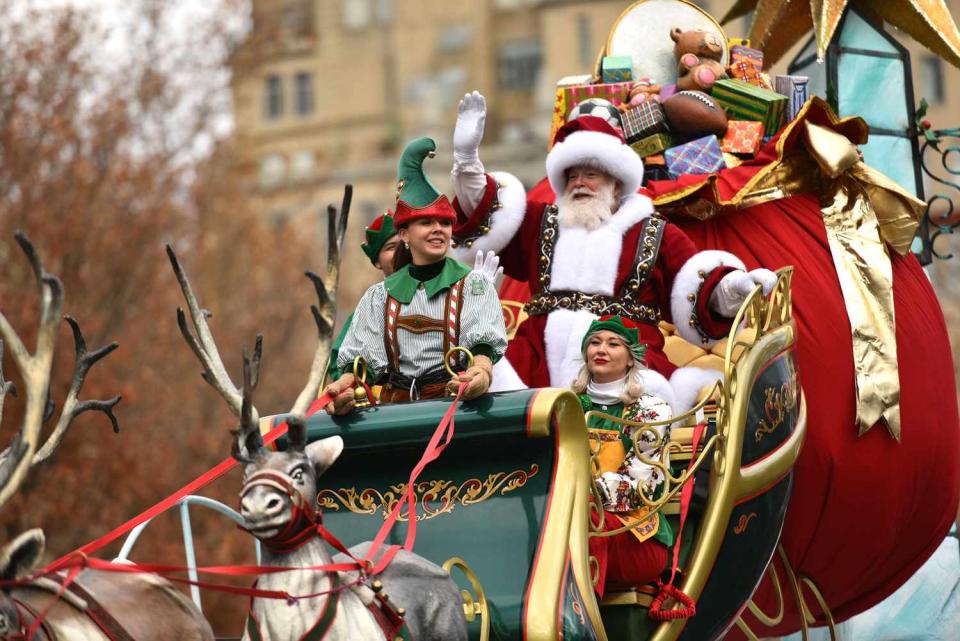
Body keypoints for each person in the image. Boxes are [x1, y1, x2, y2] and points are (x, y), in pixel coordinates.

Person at [447, 91, 776, 408]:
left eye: (590, 175)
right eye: (572, 175)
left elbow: (700, 288)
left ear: (616, 182)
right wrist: (466, 161)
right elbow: (484, 212)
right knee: (488, 399)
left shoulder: (655, 233)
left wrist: (736, 286)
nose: (579, 183)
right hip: (536, 364)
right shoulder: (541, 222)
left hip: (626, 363)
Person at [325, 137, 508, 412]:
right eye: (426, 222)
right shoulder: (378, 296)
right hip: (396, 416)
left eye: (445, 223)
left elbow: (483, 351)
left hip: (455, 410)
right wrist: (345, 387)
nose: (438, 229)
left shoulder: (474, 285)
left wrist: (481, 373)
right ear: (403, 234)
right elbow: (359, 366)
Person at [573, 315, 676, 596]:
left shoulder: (651, 411)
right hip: (572, 515)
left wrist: (581, 496)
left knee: (580, 519)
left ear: (631, 359)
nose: (601, 349)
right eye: (594, 343)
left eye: (613, 344)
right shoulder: (565, 406)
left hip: (635, 534)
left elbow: (642, 489)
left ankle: (579, 620)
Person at [327, 211, 401, 381]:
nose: (400, 252)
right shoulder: (370, 305)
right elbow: (341, 364)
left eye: (403, 244)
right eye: (391, 247)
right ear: (377, 262)